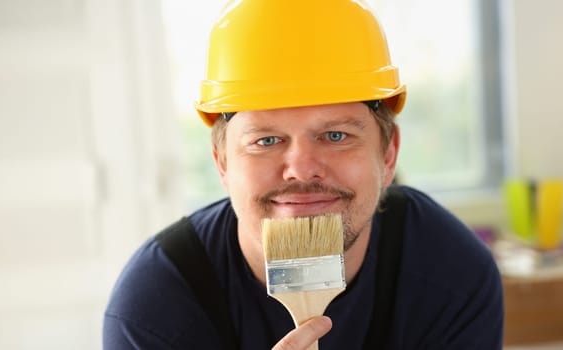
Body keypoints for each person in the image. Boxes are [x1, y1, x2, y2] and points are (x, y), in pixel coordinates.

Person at [103, 0, 504, 349]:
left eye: (335, 135)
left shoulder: (450, 271)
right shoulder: (157, 305)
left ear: (389, 152)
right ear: (222, 162)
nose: (300, 168)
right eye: (265, 141)